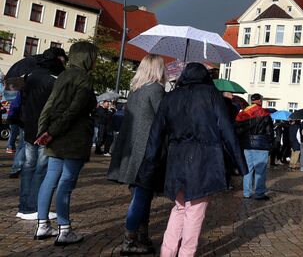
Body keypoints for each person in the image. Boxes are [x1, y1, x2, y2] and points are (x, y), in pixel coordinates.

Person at [136, 63, 247, 256]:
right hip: (203, 159)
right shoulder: (212, 96)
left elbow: (155, 134)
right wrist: (241, 164)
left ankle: (167, 252)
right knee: (195, 211)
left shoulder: (171, 97)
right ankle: (186, 253)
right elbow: (227, 131)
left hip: (176, 158)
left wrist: (149, 164)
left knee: (179, 209)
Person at [34, 41, 99, 245]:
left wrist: (44, 130)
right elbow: (74, 110)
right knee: (66, 183)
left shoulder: (63, 75)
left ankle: (42, 225)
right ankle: (65, 230)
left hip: (57, 137)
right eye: (94, 57)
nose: (95, 61)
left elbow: (50, 104)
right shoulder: (84, 79)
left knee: (50, 179)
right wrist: (50, 132)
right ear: (87, 57)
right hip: (73, 138)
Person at [107, 54, 166, 255]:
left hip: (132, 148)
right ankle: (130, 240)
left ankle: (142, 236)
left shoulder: (135, 90)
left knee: (141, 194)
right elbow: (163, 119)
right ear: (157, 69)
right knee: (141, 196)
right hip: (146, 150)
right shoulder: (156, 89)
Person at [16, 48, 66, 221]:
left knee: (28, 167)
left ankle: (23, 207)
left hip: (29, 127)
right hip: (43, 129)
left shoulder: (30, 76)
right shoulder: (54, 79)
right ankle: (33, 207)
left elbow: (22, 99)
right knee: (40, 169)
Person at [235, 93, 274, 200]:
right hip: (261, 145)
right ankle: (259, 193)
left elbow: (239, 130)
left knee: (248, 170)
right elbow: (269, 131)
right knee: (260, 172)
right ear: (260, 101)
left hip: (247, 145)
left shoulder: (244, 113)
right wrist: (271, 144)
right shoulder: (264, 113)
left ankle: (246, 193)